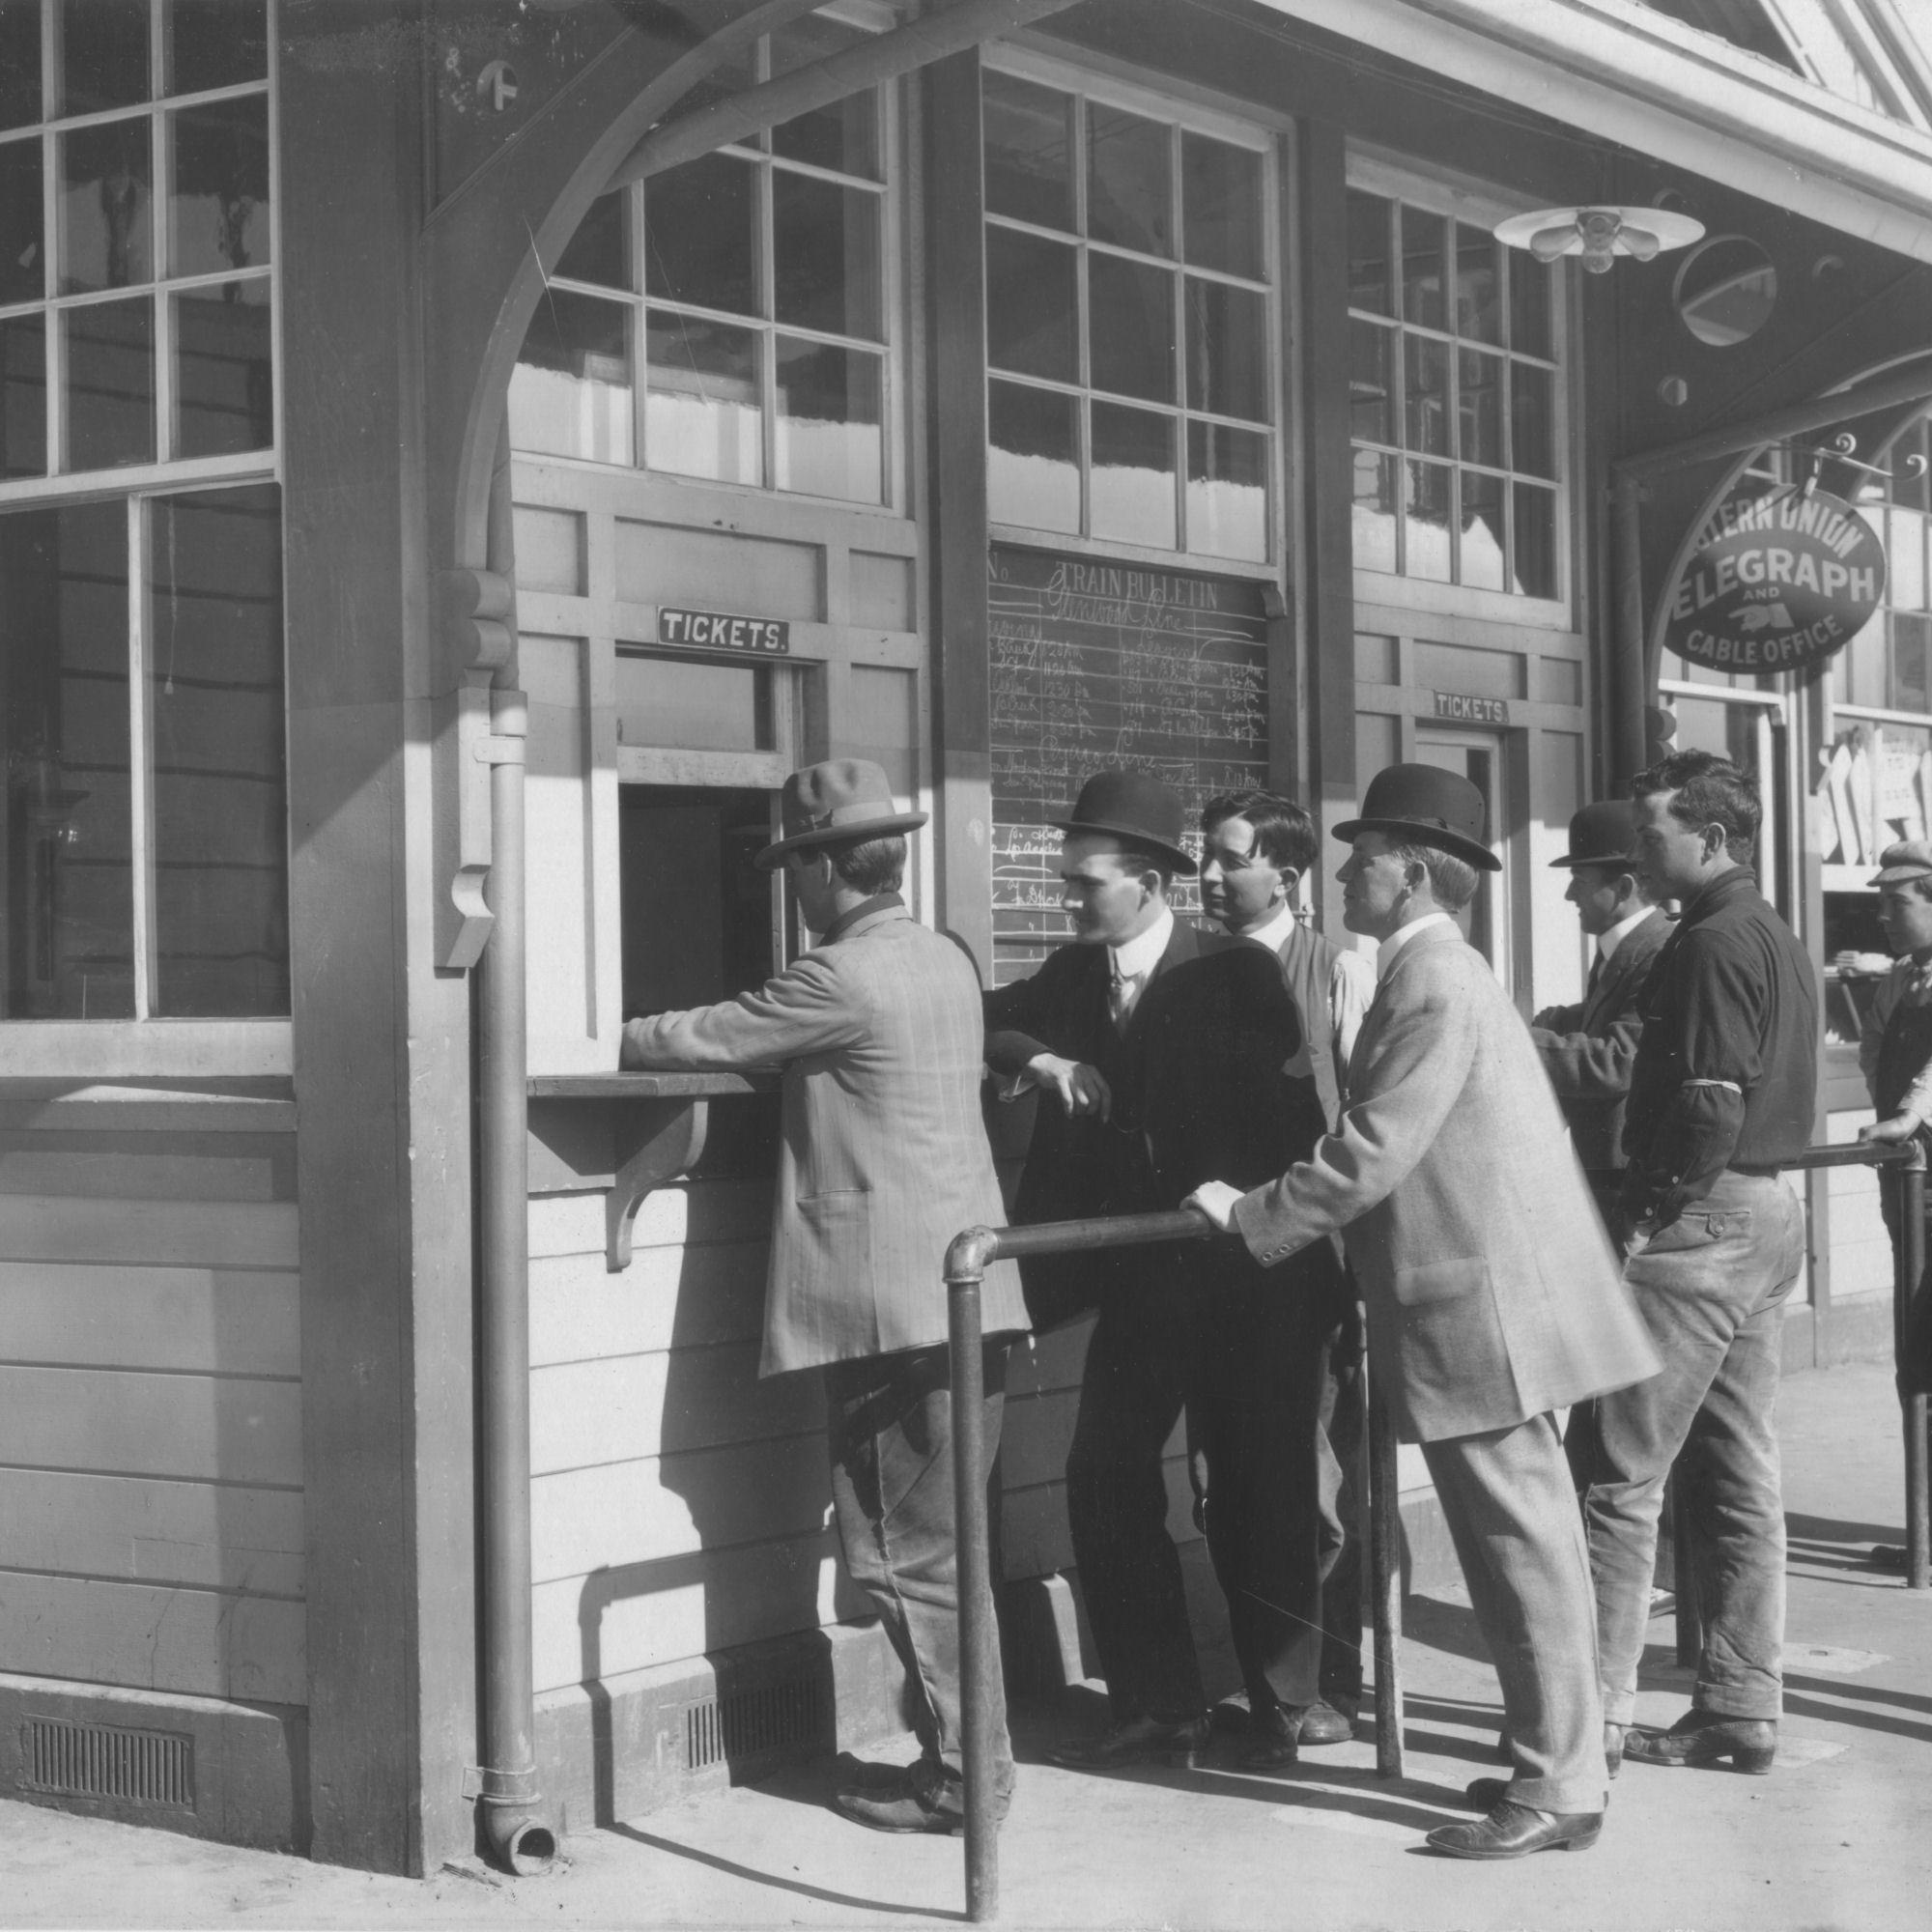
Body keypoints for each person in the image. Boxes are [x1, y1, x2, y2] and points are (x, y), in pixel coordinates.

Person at [1183, 763, 1660, 1860]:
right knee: (1523, 1543)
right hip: (1482, 1302)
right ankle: (1558, 1758)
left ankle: (1556, 1780)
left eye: (1362, 857)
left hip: (1474, 1309)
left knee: (1518, 1547)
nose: (1346, 871)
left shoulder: (1430, 977)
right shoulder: (1429, 969)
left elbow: (1372, 1150)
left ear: (1408, 874)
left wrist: (1245, 1211)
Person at [620, 758, 1031, 1836]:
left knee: (902, 1553)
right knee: (947, 1551)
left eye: (791, 863)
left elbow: (689, 1036)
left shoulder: (836, 977)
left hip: (895, 1309)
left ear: (816, 870)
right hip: (964, 1294)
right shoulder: (942, 956)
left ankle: (963, 1783)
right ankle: (975, 1768)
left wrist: (612, 1021)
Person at [983, 770, 1338, 1770]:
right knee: (1105, 1472)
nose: (1065, 898)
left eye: (1081, 882)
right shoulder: (1068, 974)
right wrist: (1040, 1061)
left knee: (1257, 1486)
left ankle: (1284, 1700)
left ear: (1143, 882)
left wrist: (1237, 1204)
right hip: (1140, 1280)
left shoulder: (1234, 975)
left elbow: (1287, 1128)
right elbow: (983, 1014)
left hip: (1244, 1280)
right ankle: (1159, 1703)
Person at [1587, 749, 1816, 1777]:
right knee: (1733, 1472)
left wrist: (1644, 1211)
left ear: (1709, 838)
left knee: (1613, 1477)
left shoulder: (1709, 939)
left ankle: (1581, 1722)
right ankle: (1735, 1703)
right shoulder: (1769, 928)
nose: (1639, 850)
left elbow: (1710, 1098)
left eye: (1651, 832)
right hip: (1767, 1216)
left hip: (1704, 1223)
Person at [1197, 789, 1375, 1743]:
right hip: (1219, 1266)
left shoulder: (1336, 971)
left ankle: (1326, 1686)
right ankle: (1272, 1685)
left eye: (1229, 858)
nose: (1210, 875)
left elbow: (1367, 1129)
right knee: (1228, 1481)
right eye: (1207, 856)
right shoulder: (1191, 970)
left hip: (1308, 1264)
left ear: (1287, 876)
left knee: (1313, 1482)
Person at [1529, 800, 1672, 1230]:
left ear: (1625, 888)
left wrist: (1517, 1040)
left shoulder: (1658, 952)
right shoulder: (1624, 946)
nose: (1570, 894)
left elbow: (1619, 1061)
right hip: (1608, 1175)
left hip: (1628, 1182)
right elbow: (1610, 1016)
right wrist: (1558, 1020)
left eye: (1579, 880)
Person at [1850, 841, 1932, 1436]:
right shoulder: (1901, 977)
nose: (1883, 915)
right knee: (1915, 1339)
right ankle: (1921, 1519)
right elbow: (1873, 1047)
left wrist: (1908, 1115)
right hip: (1907, 1178)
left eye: (1896, 901)